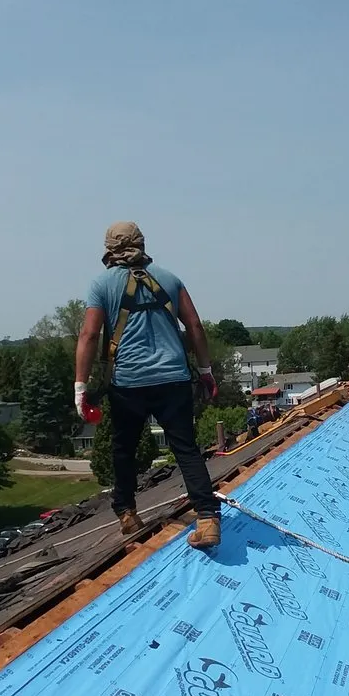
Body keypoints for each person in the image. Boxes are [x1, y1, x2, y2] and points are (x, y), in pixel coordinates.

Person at [74, 222, 221, 549]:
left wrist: (80, 388)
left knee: (124, 449)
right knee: (185, 448)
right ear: (142, 244)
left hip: (128, 385)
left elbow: (88, 335)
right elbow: (195, 325)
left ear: (109, 249)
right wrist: (206, 371)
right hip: (174, 380)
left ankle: (126, 512)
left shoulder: (101, 284)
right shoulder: (169, 279)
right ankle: (208, 516)